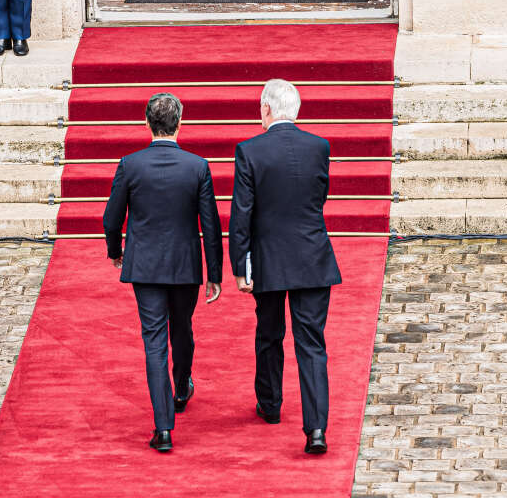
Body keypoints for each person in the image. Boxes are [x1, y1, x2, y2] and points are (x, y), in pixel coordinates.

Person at [102, 92, 222, 453]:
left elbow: (112, 216)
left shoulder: (130, 164)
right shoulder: (197, 166)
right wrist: (214, 272)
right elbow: (211, 224)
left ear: (147, 122)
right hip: (185, 265)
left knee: (154, 341)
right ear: (180, 122)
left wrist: (115, 251)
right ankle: (182, 384)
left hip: (146, 265)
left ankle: (163, 427)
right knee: (182, 327)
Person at [228, 79, 341, 455]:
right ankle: (317, 428)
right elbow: (319, 196)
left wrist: (240, 265)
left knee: (269, 333)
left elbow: (242, 213)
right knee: (312, 344)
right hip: (312, 255)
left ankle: (271, 403)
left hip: (269, 257)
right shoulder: (318, 147)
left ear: (266, 109)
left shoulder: (250, 150)